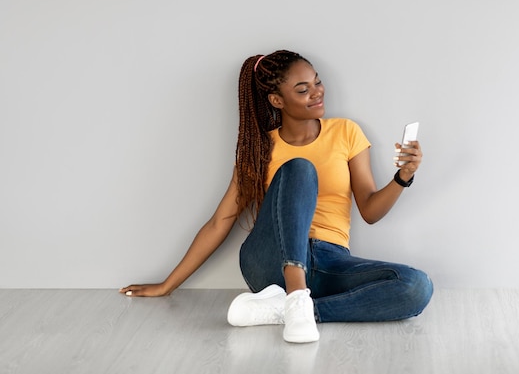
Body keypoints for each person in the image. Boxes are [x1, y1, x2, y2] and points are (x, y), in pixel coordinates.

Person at [119, 50, 433, 343]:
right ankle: (295, 293)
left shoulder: (346, 132)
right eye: (302, 89)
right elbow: (220, 222)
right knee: (299, 169)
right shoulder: (260, 150)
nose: (317, 92)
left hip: (329, 261)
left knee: (416, 287)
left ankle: (294, 309)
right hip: (268, 263)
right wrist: (167, 285)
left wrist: (403, 176)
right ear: (276, 99)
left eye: (317, 82)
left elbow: (370, 210)